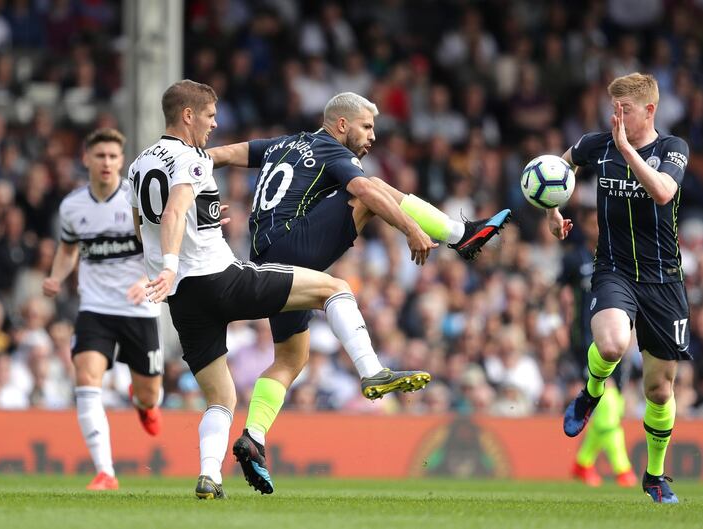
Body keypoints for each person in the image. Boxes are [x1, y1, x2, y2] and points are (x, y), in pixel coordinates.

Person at [130, 80, 429, 500]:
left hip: (182, 299)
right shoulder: (190, 158)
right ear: (187, 115)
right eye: (211, 116)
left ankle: (209, 477)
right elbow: (177, 207)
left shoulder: (140, 163)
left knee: (222, 396)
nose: (215, 125)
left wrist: (171, 254)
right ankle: (371, 371)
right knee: (334, 288)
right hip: (220, 280)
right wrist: (171, 262)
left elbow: (146, 220)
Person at [206, 91, 511, 494]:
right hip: (291, 247)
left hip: (268, 262)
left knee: (291, 359)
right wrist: (412, 229)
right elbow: (365, 194)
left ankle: (254, 438)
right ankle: (462, 236)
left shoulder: (282, 143)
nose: (372, 137)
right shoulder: (331, 149)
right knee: (368, 189)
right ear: (342, 124)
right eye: (367, 127)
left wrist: (186, 161)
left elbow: (224, 153)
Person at [549, 73, 690, 503]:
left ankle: (654, 475)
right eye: (613, 108)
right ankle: (591, 393)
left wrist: (628, 150)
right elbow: (561, 164)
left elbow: (664, 192)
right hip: (613, 269)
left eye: (624, 109)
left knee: (658, 390)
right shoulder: (599, 143)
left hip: (664, 280)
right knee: (611, 346)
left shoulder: (672, 149)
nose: (616, 116)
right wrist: (554, 207)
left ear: (649, 110)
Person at [43, 128, 163, 491]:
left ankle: (143, 402)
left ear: (121, 161)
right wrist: (55, 277)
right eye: (100, 156)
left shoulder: (137, 200)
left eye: (113, 156)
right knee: (86, 377)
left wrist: (147, 281)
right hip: (95, 307)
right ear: (86, 160)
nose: (107, 162)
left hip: (139, 309)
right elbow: (67, 250)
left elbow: (162, 249)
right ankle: (105, 472)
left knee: (149, 393)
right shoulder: (72, 207)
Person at [559, 207, 637, 487]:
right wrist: (558, 325)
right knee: (607, 402)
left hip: (616, 337)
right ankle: (623, 470)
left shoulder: (619, 256)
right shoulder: (574, 258)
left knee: (611, 405)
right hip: (585, 340)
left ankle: (583, 464)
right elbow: (562, 295)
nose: (597, 227)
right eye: (592, 222)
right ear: (584, 224)